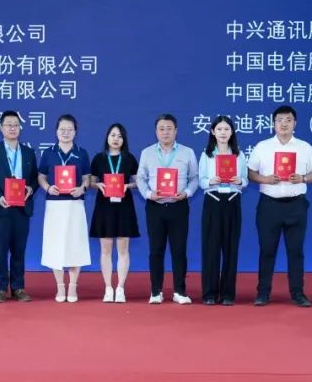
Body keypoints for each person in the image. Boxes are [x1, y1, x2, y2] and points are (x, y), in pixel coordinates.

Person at [247, 105, 312, 307]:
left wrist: (303, 178)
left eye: (288, 120)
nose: (284, 124)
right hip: (269, 206)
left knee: (295, 251)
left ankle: (298, 293)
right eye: (279, 120)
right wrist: (265, 179)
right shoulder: (262, 146)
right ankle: (263, 293)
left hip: (296, 205)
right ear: (273, 123)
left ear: (295, 123)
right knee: (267, 250)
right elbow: (250, 173)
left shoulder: (304, 147)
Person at [136, 114, 198, 304]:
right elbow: (140, 179)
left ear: (176, 131)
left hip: (179, 206)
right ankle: (156, 291)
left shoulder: (187, 152)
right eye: (161, 129)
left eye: (169, 128)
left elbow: (194, 178)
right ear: (156, 132)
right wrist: (149, 194)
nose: (165, 132)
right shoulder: (147, 153)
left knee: (179, 250)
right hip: (155, 207)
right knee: (156, 250)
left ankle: (180, 291)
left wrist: (186, 193)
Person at [0, 110, 38, 303]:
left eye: (16, 125)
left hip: (22, 208)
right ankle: (0, 288)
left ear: (20, 128)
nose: (12, 128)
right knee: (0, 250)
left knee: (19, 250)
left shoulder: (28, 152)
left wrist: (30, 188)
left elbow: (35, 178)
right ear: (1, 128)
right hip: (1, 208)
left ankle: (18, 287)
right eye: (8, 125)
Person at [37, 114, 92, 302]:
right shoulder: (49, 153)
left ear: (75, 132)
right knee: (55, 245)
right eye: (62, 129)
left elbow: (87, 178)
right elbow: (41, 176)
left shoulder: (82, 153)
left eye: (69, 129)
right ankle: (60, 286)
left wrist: (82, 188)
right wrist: (47, 187)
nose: (66, 133)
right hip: (55, 205)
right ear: (56, 131)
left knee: (76, 244)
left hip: (75, 204)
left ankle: (73, 286)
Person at [198, 116, 247, 306]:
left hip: (232, 201)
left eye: (227, 129)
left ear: (232, 132)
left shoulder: (239, 154)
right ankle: (209, 293)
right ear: (213, 132)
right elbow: (201, 180)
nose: (223, 133)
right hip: (213, 201)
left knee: (230, 248)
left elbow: (245, 180)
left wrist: (240, 181)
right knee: (211, 249)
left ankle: (228, 294)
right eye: (219, 129)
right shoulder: (206, 154)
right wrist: (210, 181)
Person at [89, 123, 140, 303]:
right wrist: (97, 185)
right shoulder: (99, 159)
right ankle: (108, 288)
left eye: (119, 136)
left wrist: (128, 185)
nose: (116, 139)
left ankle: (120, 288)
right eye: (112, 135)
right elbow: (90, 182)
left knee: (123, 250)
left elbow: (138, 182)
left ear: (124, 139)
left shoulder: (129, 158)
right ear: (107, 138)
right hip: (104, 206)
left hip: (124, 206)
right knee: (105, 249)